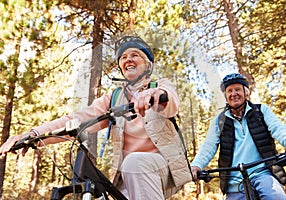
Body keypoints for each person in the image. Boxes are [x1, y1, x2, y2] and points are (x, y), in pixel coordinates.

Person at [0, 35, 192, 199]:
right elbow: (74, 120)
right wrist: (31, 136)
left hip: (163, 168)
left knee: (135, 163)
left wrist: (155, 96)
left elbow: (171, 102)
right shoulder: (114, 98)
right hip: (127, 174)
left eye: (135, 55)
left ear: (147, 65)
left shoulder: (159, 85)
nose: (128, 60)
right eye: (124, 57)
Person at [191, 73, 286, 200]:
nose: (233, 94)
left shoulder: (261, 111)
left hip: (263, 174)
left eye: (238, 89)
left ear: (246, 93)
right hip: (234, 182)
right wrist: (196, 165)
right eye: (229, 91)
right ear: (226, 97)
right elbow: (208, 146)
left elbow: (278, 129)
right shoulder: (219, 121)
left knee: (276, 197)